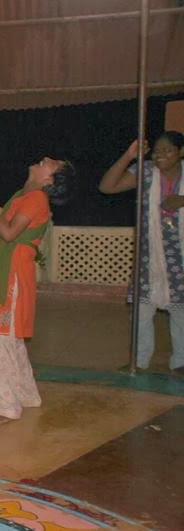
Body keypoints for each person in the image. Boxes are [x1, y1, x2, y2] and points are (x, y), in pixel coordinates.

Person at [0, 157, 74, 424]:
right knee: (10, 340)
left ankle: (5, 406)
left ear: (49, 180)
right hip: (10, 270)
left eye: (52, 164)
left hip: (11, 273)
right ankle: (26, 395)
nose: (45, 159)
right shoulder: (25, 195)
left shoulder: (37, 199)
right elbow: (4, 219)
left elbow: (7, 232)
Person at [99, 131, 184, 372]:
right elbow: (107, 186)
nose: (159, 155)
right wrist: (129, 156)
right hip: (150, 256)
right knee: (141, 311)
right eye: (156, 150)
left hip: (180, 258)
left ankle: (181, 361)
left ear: (181, 152)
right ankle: (139, 360)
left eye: (167, 150)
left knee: (181, 312)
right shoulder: (146, 171)